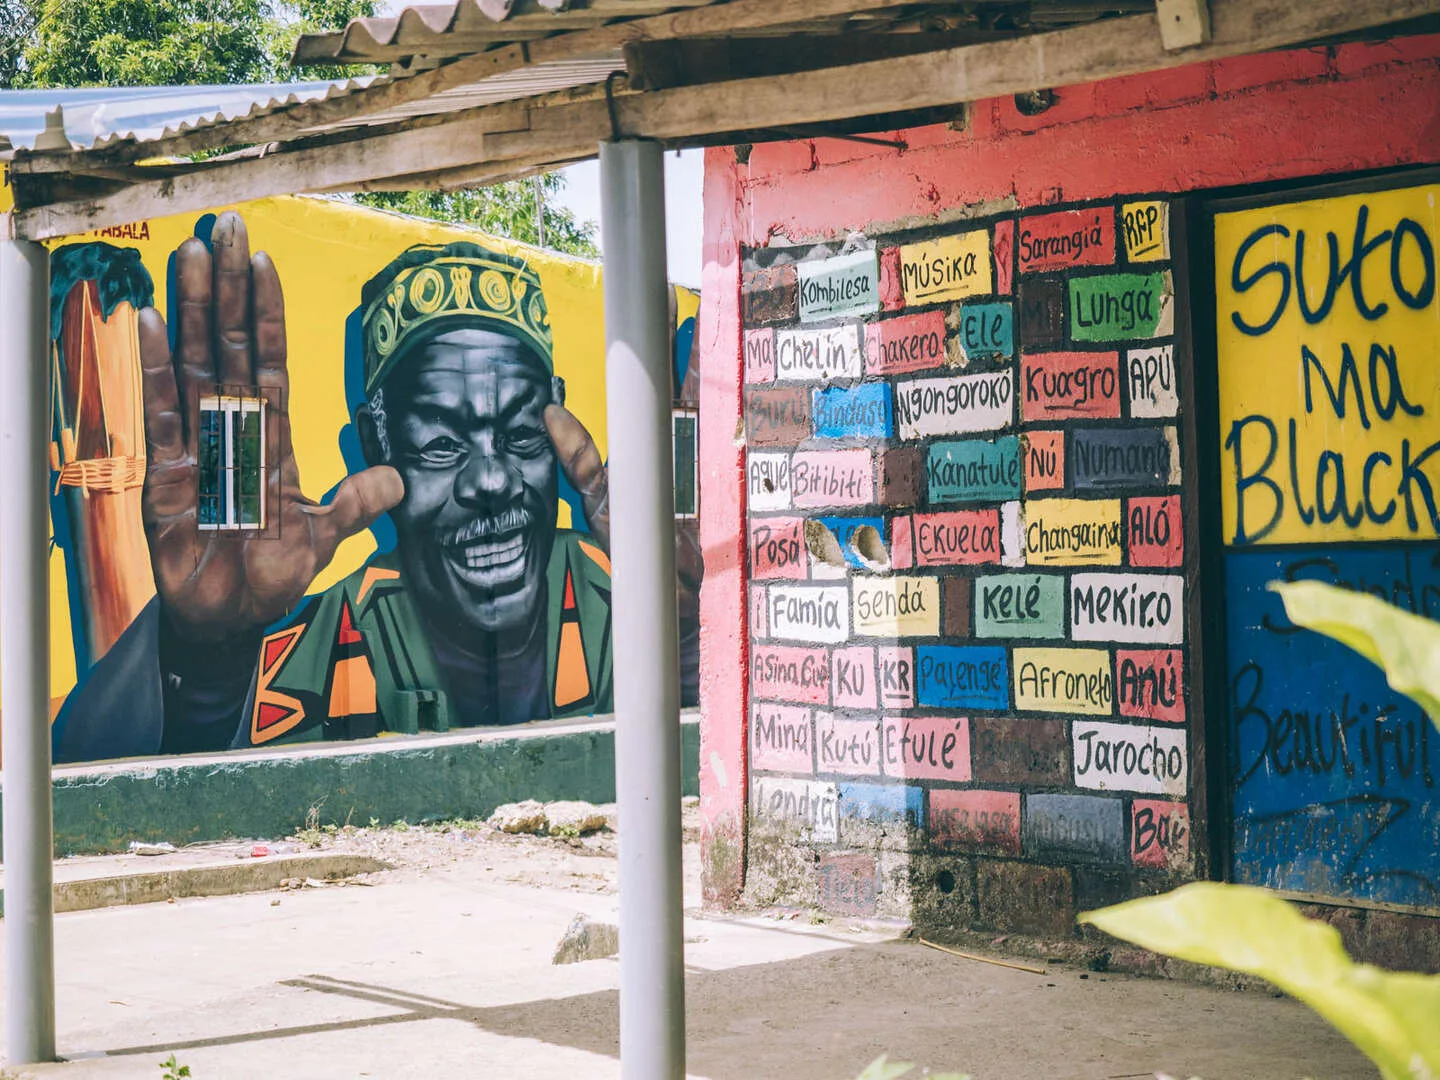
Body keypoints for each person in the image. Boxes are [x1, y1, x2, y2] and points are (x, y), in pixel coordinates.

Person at [53, 211, 694, 762]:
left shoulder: (629, 598)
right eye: (441, 446)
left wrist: (692, 634)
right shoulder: (331, 639)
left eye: (523, 435)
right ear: (376, 444)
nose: (493, 480)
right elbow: (87, 794)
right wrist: (204, 657)